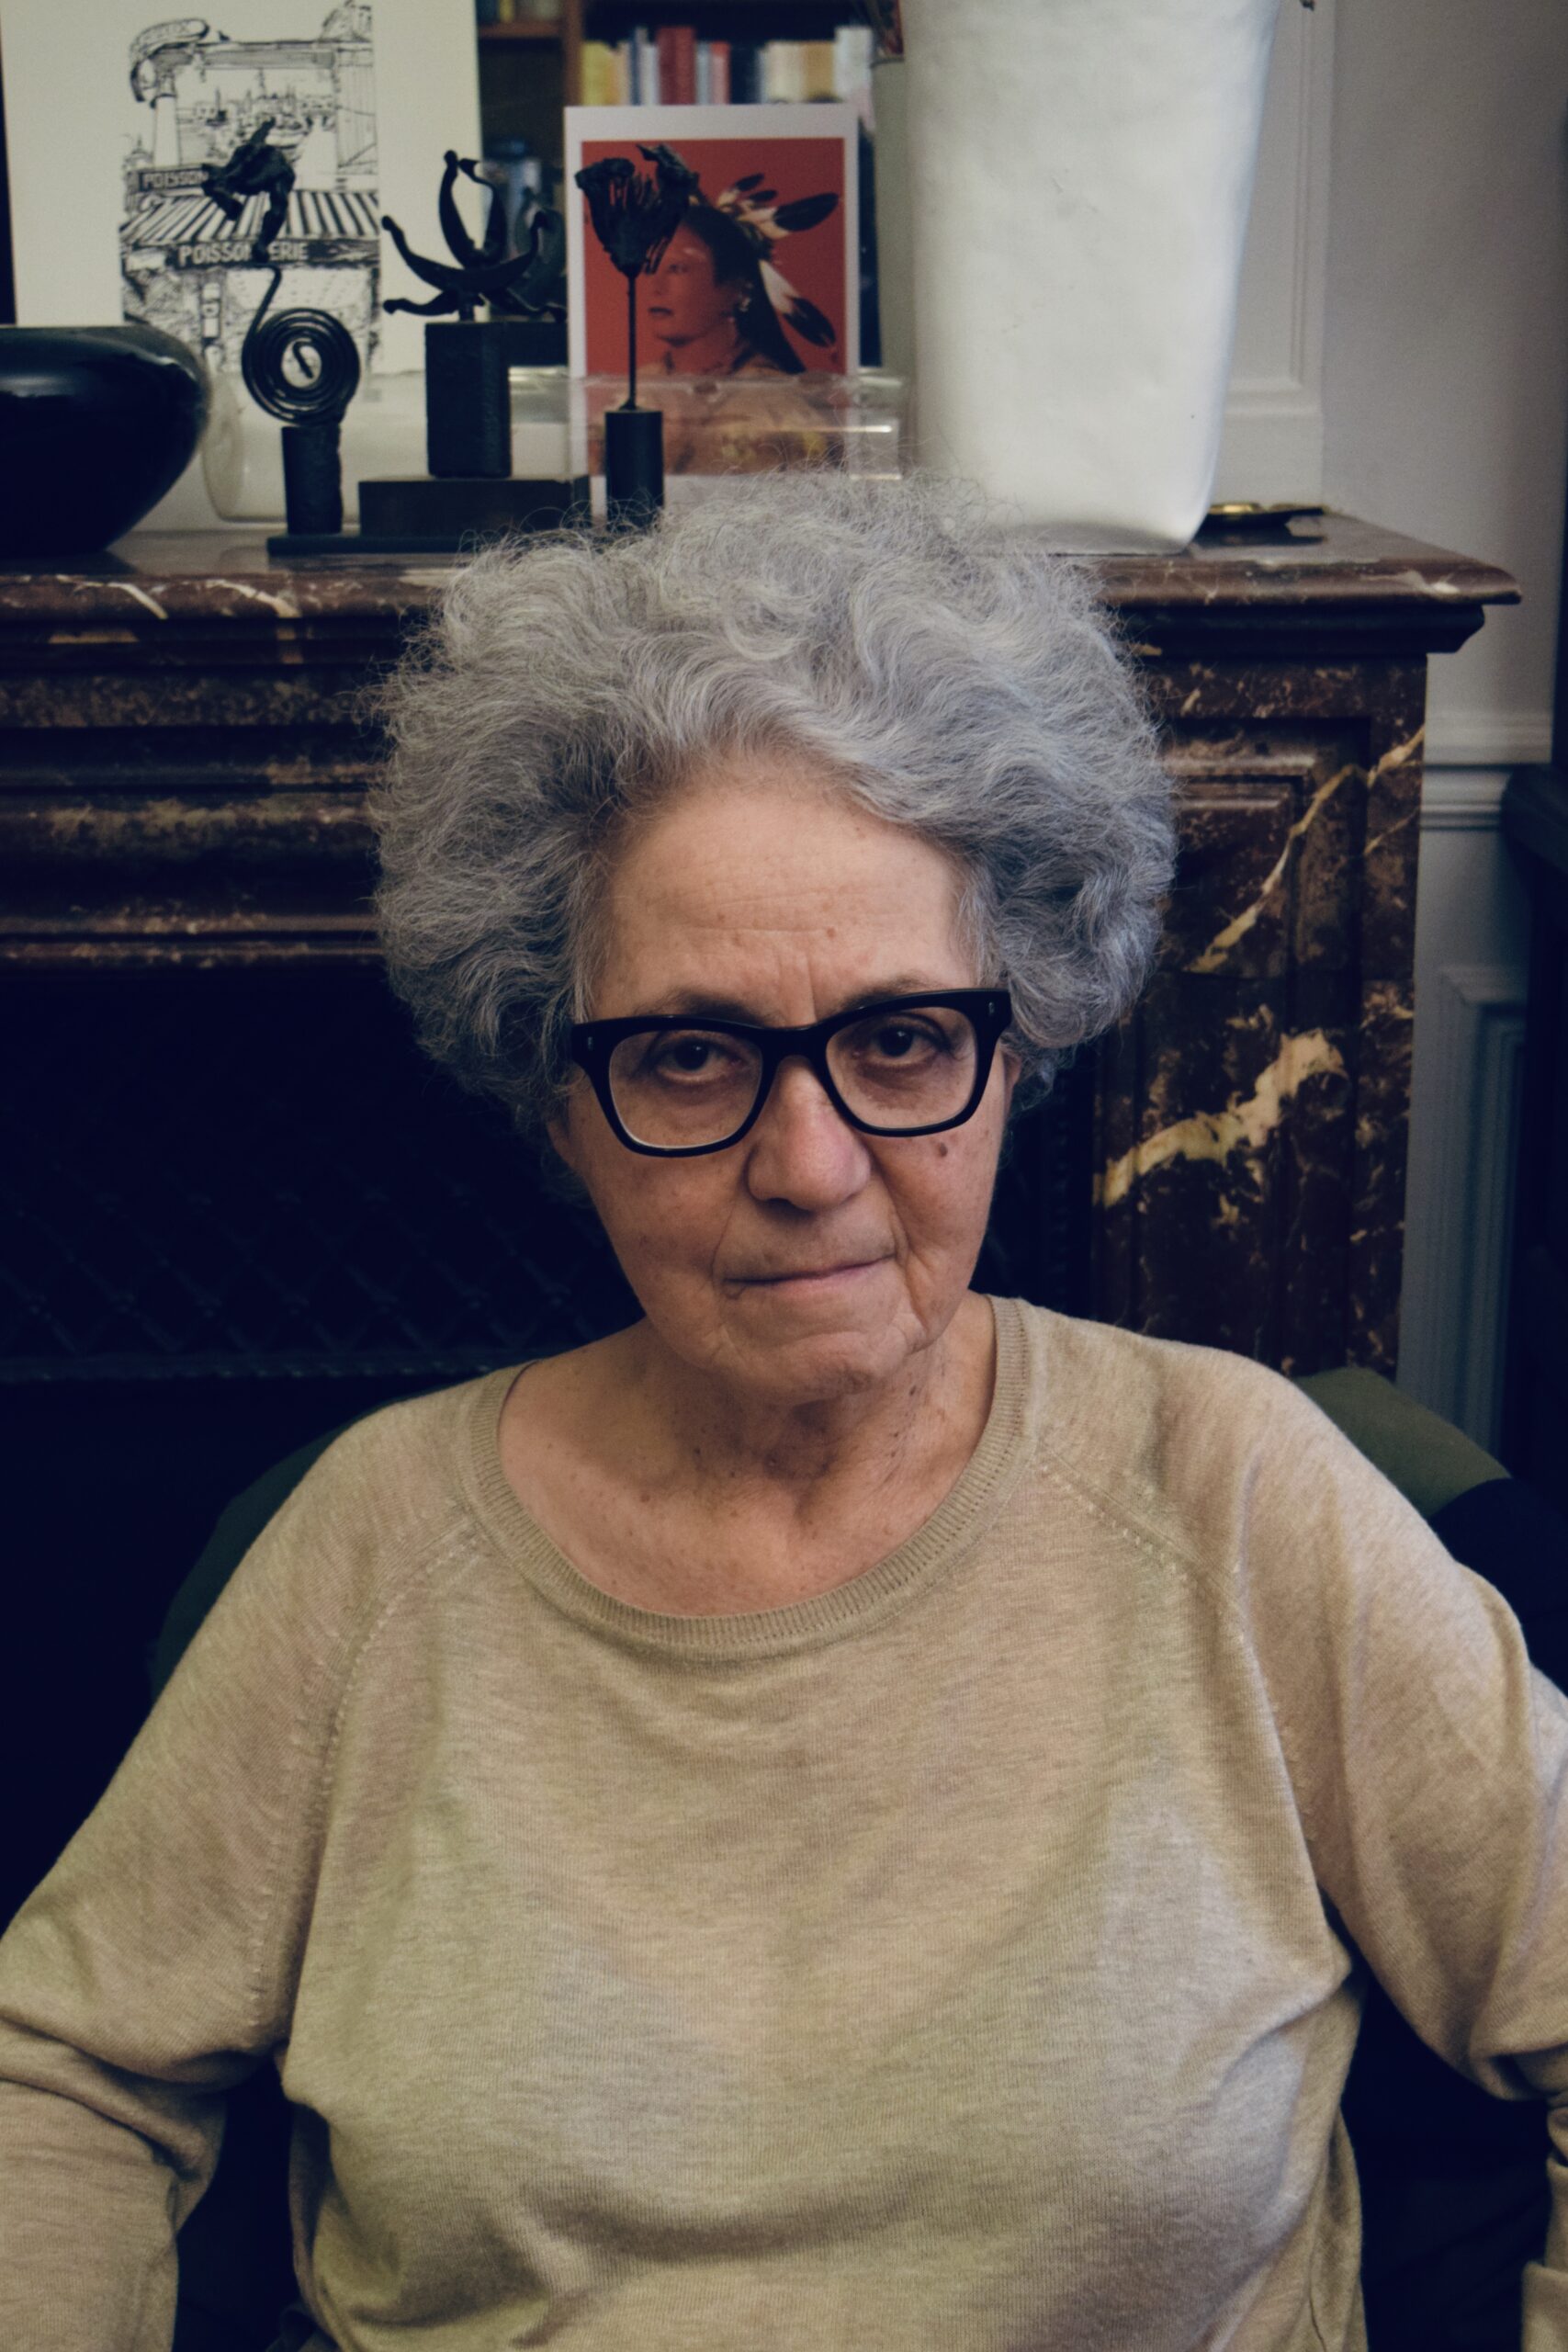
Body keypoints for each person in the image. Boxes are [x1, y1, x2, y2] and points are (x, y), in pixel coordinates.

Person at [2, 471, 1567, 2352]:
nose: (808, 1161)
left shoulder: (1229, 1492)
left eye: (900, 1037)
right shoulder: (371, 1537)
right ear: (557, 1090)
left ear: (1020, 1038)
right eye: (687, 1052)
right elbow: (64, 2067)